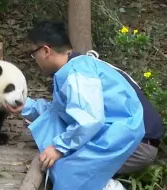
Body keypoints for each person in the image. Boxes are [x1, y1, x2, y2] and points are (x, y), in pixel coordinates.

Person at [16, 19, 164, 190]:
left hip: (136, 144)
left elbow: (89, 120)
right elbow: (58, 113)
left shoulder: (78, 72)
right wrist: (24, 106)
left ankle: (107, 186)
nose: (35, 60)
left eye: (34, 54)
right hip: (119, 136)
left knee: (66, 171)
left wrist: (58, 148)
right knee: (55, 160)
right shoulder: (77, 66)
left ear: (46, 50)